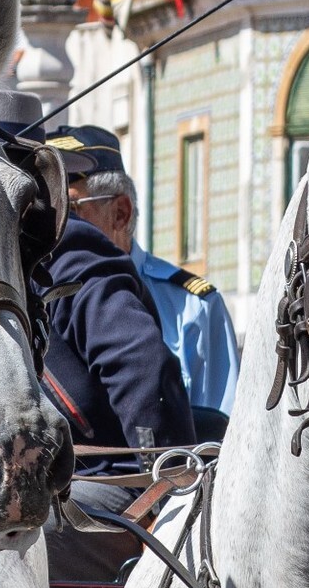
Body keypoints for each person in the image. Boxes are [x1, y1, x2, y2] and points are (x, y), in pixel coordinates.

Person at [48, 122, 243, 437]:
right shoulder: (34, 298)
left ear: (120, 214)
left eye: (69, 211)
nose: (53, 227)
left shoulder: (193, 308)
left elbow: (222, 438)